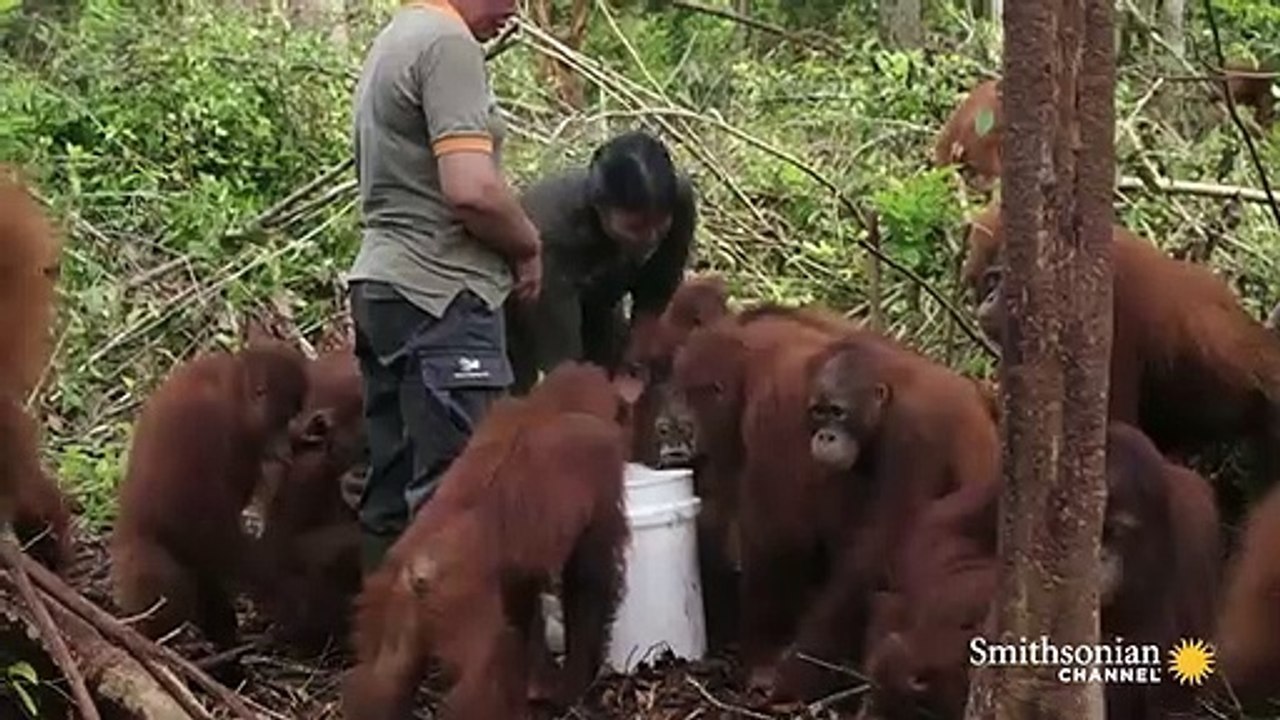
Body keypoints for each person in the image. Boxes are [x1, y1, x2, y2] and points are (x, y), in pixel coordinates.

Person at [347, 0, 542, 573]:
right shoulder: (448, 45)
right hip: (442, 295)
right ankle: (458, 657)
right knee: (460, 494)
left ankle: (386, 649)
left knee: (392, 484)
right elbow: (471, 189)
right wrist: (527, 243)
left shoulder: (399, 35)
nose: (513, 14)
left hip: (384, 288)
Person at [507, 130, 697, 391]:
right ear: (600, 208)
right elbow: (562, 357)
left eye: (660, 224)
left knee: (629, 375)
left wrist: (634, 364)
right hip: (528, 301)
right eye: (636, 227)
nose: (651, 237)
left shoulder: (679, 201)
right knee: (559, 394)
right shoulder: (551, 227)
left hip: (602, 296)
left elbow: (659, 289)